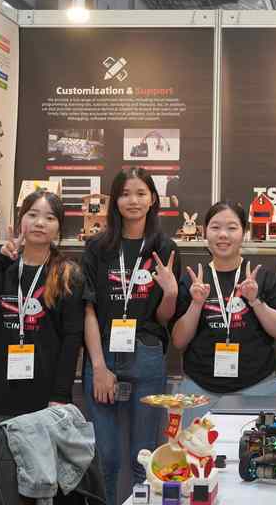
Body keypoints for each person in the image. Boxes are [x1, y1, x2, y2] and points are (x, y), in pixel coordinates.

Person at [82, 167, 181, 505]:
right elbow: (88, 309)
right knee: (106, 458)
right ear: (115, 200)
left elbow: (163, 317)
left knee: (145, 457)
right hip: (103, 353)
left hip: (147, 354)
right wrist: (98, 367)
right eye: (125, 194)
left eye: (141, 193)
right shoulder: (97, 247)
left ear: (153, 199)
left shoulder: (164, 247)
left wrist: (171, 292)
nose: (133, 201)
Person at [0, 190, 84, 457]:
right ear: (20, 222)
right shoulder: (3, 268)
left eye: (49, 217)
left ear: (59, 227)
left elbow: (72, 338)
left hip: (44, 399)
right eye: (32, 215)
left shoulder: (67, 274)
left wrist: (60, 396)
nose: (40, 223)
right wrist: (1, 260)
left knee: (40, 475)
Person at [171, 202, 276, 420]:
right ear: (205, 233)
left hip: (257, 387)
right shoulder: (193, 279)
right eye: (215, 227)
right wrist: (196, 304)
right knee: (195, 443)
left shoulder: (264, 277)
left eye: (232, 228)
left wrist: (255, 301)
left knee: (256, 443)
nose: (223, 235)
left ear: (244, 233)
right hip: (199, 388)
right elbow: (179, 341)